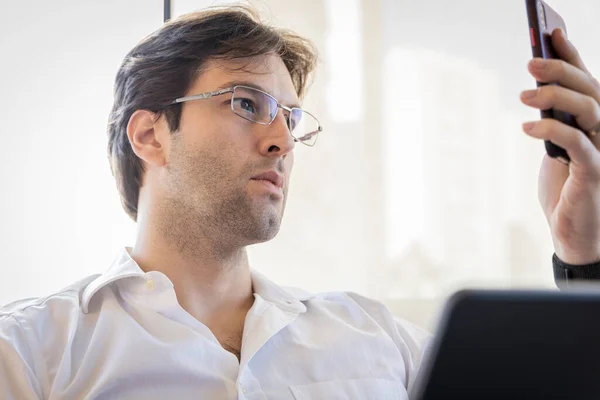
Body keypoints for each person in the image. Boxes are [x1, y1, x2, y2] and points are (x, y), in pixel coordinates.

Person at [1, 5, 600, 399]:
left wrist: (584, 254)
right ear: (151, 135)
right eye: (245, 104)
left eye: (291, 118)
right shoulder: (31, 354)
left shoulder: (379, 339)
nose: (282, 140)